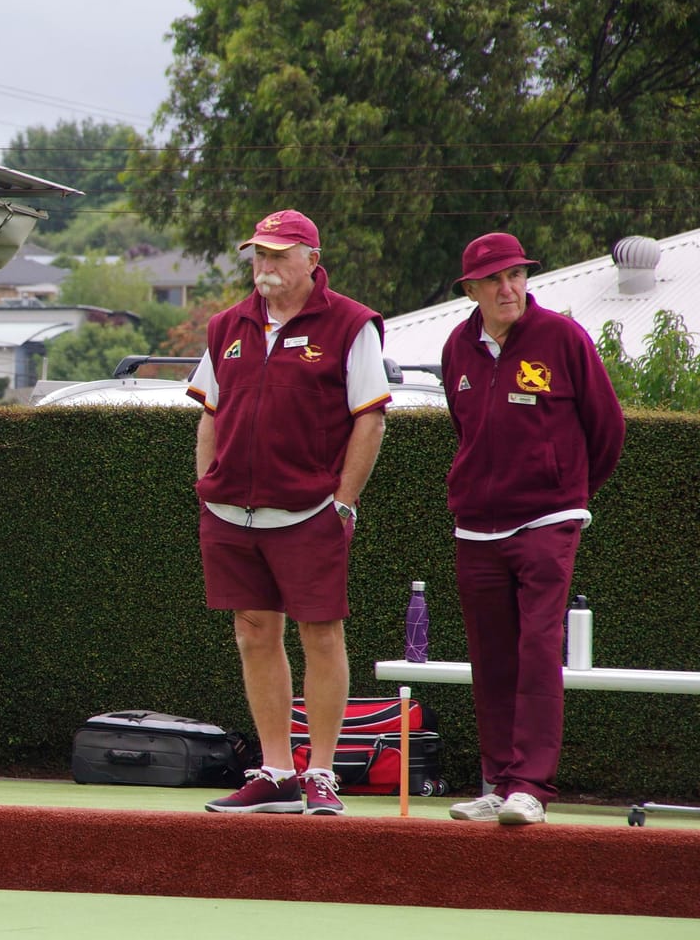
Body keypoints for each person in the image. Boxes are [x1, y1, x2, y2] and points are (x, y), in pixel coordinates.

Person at [186, 209, 390, 815]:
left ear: (311, 260)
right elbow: (210, 412)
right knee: (252, 632)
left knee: (321, 634)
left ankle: (322, 774)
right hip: (230, 513)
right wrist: (206, 485)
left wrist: (344, 502)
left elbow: (371, 417)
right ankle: (277, 772)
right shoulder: (227, 324)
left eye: (277, 256)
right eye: (258, 255)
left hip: (310, 513)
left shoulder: (353, 324)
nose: (265, 267)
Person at [440, 232, 624, 825]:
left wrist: (567, 494)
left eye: (515, 275)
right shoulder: (456, 348)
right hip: (476, 529)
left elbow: (607, 429)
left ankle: (531, 788)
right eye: (493, 279)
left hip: (548, 520)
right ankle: (497, 780)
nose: (507, 287)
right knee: (491, 657)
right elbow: (465, 428)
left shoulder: (563, 338)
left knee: (539, 647)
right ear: (470, 289)